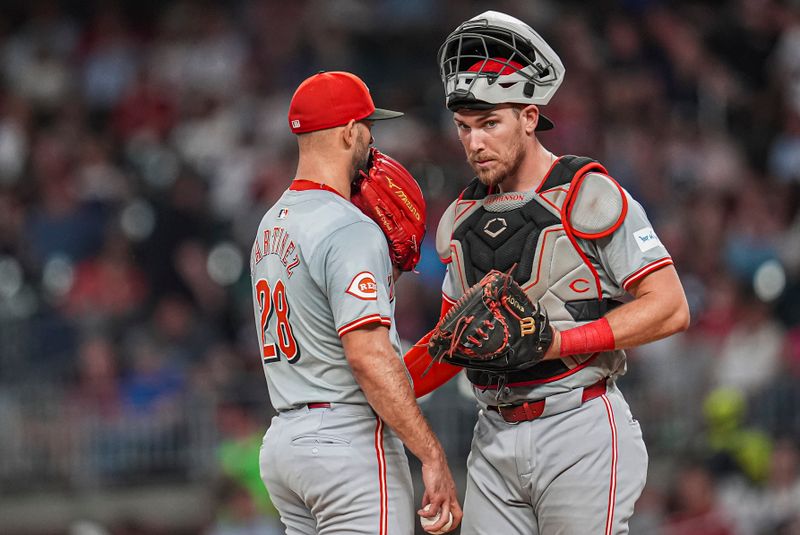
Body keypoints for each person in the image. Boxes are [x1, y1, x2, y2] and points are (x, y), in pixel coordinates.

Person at [404, 11, 691, 535]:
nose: (474, 143)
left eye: (490, 123)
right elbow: (450, 344)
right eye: (464, 127)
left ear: (530, 117)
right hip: (492, 434)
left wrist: (556, 342)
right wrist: (380, 393)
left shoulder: (588, 192)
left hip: (578, 424)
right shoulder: (460, 221)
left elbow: (671, 306)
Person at [250, 71, 461, 535]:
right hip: (345, 441)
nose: (371, 139)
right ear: (348, 132)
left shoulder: (270, 224)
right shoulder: (348, 228)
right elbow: (367, 356)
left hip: (287, 441)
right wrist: (430, 453)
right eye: (368, 127)